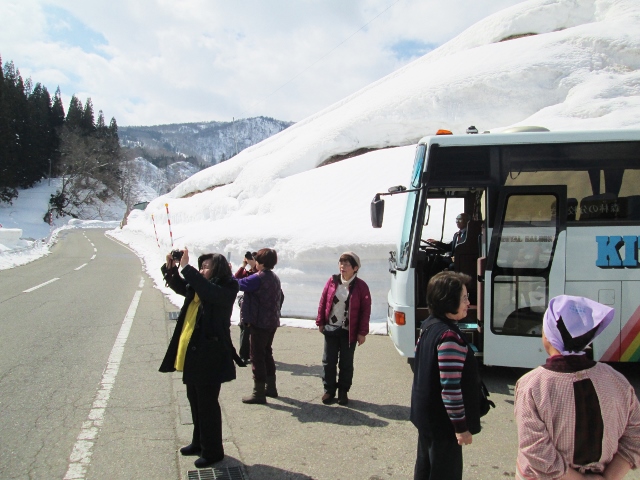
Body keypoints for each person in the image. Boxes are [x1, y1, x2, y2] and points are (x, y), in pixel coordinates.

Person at [514, 295, 640, 480]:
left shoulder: (532, 385)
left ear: (548, 336)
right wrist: (607, 477)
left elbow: (535, 451)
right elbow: (636, 435)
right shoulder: (617, 380)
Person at [159, 247, 240, 469]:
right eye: (201, 267)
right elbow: (181, 286)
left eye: (206, 267)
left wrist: (187, 268)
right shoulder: (200, 287)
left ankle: (213, 452)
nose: (202, 270)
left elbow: (208, 292)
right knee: (195, 401)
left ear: (217, 269)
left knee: (207, 405)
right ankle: (199, 443)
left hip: (211, 358)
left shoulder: (227, 287)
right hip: (194, 356)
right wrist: (172, 269)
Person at [410, 271, 483, 480]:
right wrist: (461, 428)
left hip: (427, 420)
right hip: (443, 426)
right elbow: (450, 389)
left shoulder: (428, 325)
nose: (468, 303)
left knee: (425, 470)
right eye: (464, 298)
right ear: (448, 301)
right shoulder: (449, 336)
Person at [316, 252, 371, 406]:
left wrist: (362, 332)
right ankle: (329, 390)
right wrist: (320, 321)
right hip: (331, 328)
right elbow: (323, 301)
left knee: (346, 363)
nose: (342, 267)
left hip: (349, 331)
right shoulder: (332, 281)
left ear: (355, 268)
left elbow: (365, 311)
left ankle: (343, 391)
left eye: (347, 264)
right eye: (341, 263)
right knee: (328, 361)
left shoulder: (361, 286)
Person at [237, 248, 283, 404]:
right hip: (271, 322)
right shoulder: (274, 277)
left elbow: (236, 283)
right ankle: (271, 388)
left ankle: (259, 393)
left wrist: (242, 267)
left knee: (257, 356)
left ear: (260, 262)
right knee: (267, 353)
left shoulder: (258, 278)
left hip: (259, 323)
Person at [234, 251, 258, 363]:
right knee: (244, 330)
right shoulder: (248, 273)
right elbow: (236, 279)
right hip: (247, 306)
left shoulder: (259, 274)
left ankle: (255, 354)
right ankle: (244, 355)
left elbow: (258, 277)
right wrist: (243, 265)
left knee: (256, 332)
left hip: (257, 306)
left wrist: (254, 265)